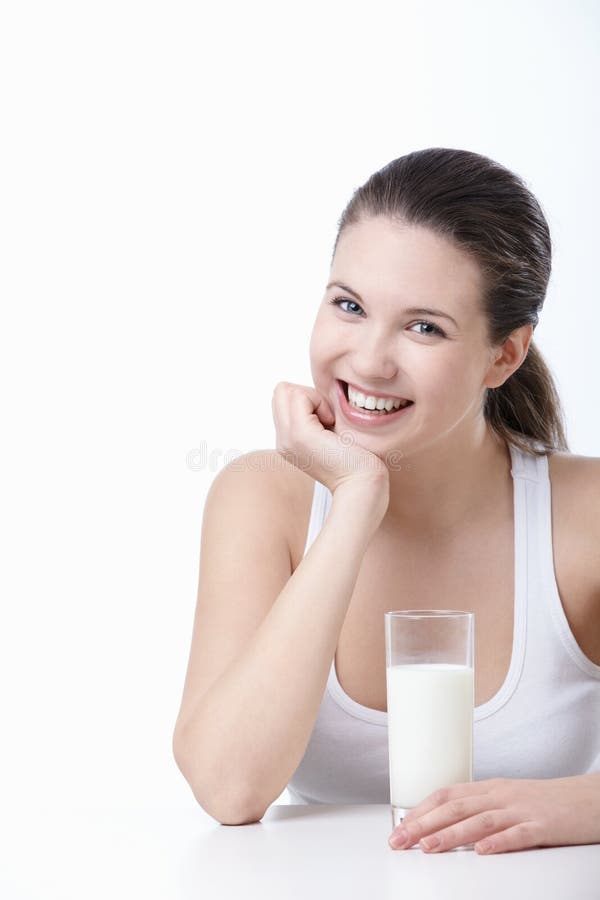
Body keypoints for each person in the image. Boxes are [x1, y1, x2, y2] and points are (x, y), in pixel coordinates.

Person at [172, 148, 600, 855]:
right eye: (349, 306)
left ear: (504, 356)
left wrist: (584, 805)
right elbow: (228, 788)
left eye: (423, 326)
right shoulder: (262, 500)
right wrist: (355, 500)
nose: (368, 361)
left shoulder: (582, 517)